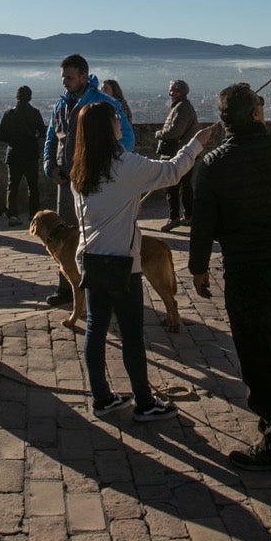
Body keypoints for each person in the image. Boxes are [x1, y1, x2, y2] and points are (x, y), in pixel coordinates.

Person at [189, 83, 271, 473]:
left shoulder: (215, 164)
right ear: (255, 115)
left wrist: (198, 267)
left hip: (245, 265)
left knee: (256, 346)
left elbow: (203, 223)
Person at [70, 102, 215, 420]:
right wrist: (196, 143)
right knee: (132, 333)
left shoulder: (80, 168)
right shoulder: (124, 165)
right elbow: (172, 171)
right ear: (107, 129)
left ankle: (101, 398)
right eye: (115, 120)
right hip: (121, 262)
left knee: (96, 328)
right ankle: (145, 402)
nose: (120, 123)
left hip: (91, 259)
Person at [41, 55, 133, 307]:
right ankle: (67, 288)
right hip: (65, 181)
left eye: (69, 78)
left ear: (84, 76)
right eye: (63, 79)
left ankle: (99, 288)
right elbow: (51, 137)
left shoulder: (104, 104)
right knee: (64, 237)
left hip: (94, 181)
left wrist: (103, 167)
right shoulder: (60, 105)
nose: (65, 83)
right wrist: (50, 166)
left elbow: (127, 139)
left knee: (93, 235)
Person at [0, 85, 46, 227]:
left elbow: (0, 135)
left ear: (17, 96)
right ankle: (34, 216)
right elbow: (43, 132)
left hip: (14, 155)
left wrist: (13, 141)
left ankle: (13, 215)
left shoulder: (9, 114)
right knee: (33, 187)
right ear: (30, 97)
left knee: (13, 187)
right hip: (30, 154)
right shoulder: (35, 113)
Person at [155, 79, 199, 231]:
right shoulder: (182, 106)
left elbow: (175, 132)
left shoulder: (182, 108)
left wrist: (159, 134)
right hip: (184, 151)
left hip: (179, 152)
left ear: (181, 92)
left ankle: (175, 217)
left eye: (173, 90)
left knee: (173, 186)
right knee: (184, 186)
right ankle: (188, 216)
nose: (170, 93)